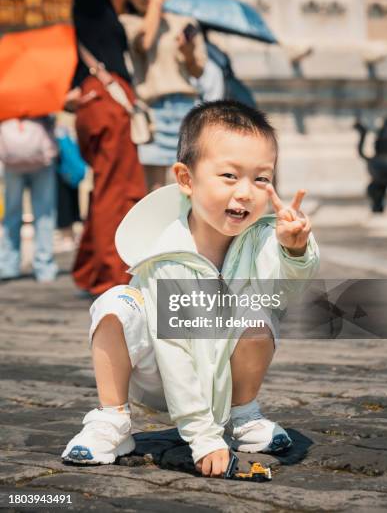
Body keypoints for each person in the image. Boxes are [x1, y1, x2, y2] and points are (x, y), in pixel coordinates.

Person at [61, 100, 319, 476]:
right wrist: (203, 437)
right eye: (230, 176)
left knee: (260, 309)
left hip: (223, 369)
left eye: (261, 178)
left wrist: (294, 250)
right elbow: (174, 354)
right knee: (115, 303)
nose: (246, 192)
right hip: (157, 369)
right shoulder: (169, 255)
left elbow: (290, 293)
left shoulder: (263, 238)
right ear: (186, 179)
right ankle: (111, 420)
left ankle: (243, 416)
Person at [68, 0, 147, 297]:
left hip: (111, 99)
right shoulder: (88, 2)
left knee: (111, 186)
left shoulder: (104, 12)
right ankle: (112, 275)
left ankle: (90, 269)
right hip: (105, 101)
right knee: (115, 190)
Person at [120, 0, 207, 190]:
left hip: (186, 108)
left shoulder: (184, 22)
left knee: (191, 186)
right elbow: (145, 43)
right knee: (156, 190)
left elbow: (197, 70)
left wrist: (187, 53)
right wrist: (156, 4)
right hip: (152, 114)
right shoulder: (128, 23)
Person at [0, 116, 58, 282]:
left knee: (11, 213)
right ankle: (44, 266)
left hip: (11, 159)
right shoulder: (41, 97)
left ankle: (8, 265)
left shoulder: (5, 95)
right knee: (45, 214)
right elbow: (52, 120)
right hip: (42, 160)